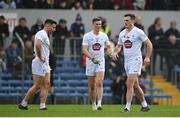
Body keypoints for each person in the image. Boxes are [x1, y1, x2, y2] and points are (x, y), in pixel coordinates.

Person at [112, 14, 153, 112]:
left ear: (132, 21)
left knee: (129, 83)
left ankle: (127, 107)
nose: (125, 22)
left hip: (136, 60)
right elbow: (119, 46)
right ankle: (145, 105)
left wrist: (147, 57)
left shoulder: (138, 32)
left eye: (127, 20)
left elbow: (149, 44)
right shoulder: (122, 33)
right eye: (124, 20)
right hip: (127, 62)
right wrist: (115, 52)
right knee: (135, 85)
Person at [18, 19, 56, 110]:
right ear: (48, 25)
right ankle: (23, 103)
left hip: (45, 63)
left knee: (47, 84)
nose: (54, 29)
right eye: (53, 27)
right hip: (39, 62)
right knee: (37, 85)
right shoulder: (41, 33)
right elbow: (38, 45)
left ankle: (42, 106)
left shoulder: (45, 34)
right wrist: (40, 56)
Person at [82, 17, 113, 111]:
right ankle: (93, 104)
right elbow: (84, 50)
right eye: (97, 24)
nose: (99, 26)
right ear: (93, 25)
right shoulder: (87, 36)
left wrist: (109, 52)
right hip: (91, 62)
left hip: (100, 61)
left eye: (100, 24)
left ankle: (99, 104)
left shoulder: (104, 35)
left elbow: (109, 46)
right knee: (92, 86)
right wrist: (92, 58)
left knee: (99, 83)